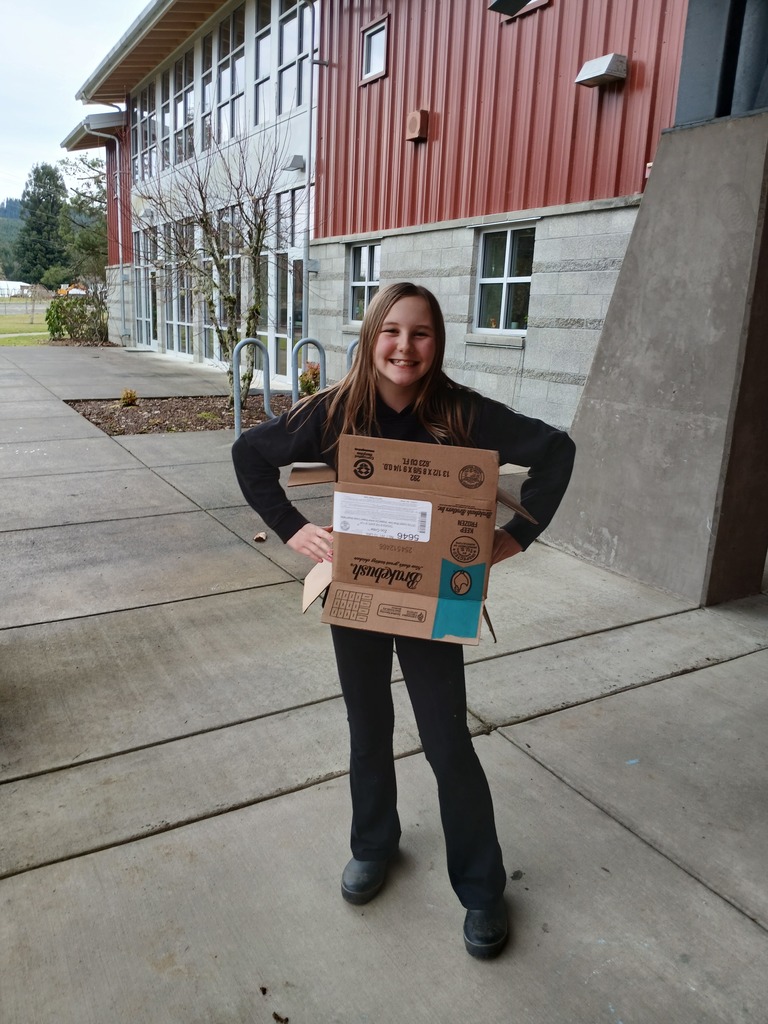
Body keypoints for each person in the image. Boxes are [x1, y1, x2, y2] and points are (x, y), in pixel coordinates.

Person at [232, 282, 575, 959]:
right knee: (368, 727)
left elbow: (555, 451)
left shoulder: (462, 413)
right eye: (392, 331)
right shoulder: (334, 413)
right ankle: (373, 843)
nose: (404, 346)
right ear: (371, 336)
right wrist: (296, 532)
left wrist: (515, 537)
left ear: (437, 343)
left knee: (447, 742)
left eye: (420, 333)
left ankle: (481, 887)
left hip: (436, 598)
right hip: (358, 588)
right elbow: (250, 454)